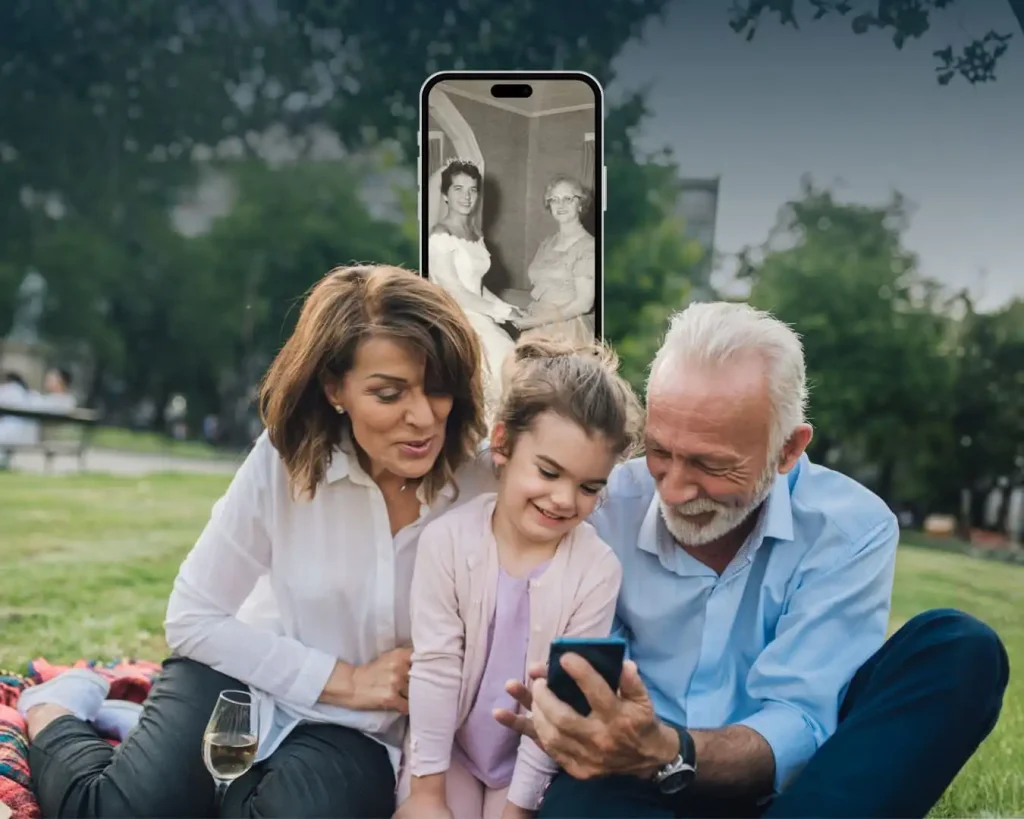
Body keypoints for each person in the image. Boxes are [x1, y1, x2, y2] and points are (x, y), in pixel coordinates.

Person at [494, 301, 1010, 819]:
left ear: (788, 451)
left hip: (798, 794)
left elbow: (801, 719)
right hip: (629, 781)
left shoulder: (851, 527)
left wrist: (673, 749)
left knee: (961, 649)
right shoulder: (600, 503)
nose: (672, 490)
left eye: (711, 465)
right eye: (659, 452)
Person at [17, 265, 498, 819]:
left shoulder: (484, 482)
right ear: (334, 388)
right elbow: (193, 616)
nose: (422, 417)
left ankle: (164, 754)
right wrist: (348, 679)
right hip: (239, 682)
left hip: (356, 733)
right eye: (388, 394)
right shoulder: (286, 457)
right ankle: (55, 704)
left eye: (438, 389)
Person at [395, 333, 645, 819]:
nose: (565, 500)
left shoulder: (596, 571)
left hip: (535, 767)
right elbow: (436, 668)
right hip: (450, 758)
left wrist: (518, 810)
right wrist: (426, 793)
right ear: (503, 443)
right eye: (549, 472)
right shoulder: (448, 541)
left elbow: (559, 702)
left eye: (589, 486)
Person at [428, 158, 520, 415]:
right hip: (457, 316)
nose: (467, 196)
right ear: (445, 194)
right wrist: (502, 313)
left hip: (478, 312)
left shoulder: (474, 235)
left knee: (511, 370)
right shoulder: (439, 236)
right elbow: (455, 291)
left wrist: (507, 308)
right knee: (497, 370)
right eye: (458, 189)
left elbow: (476, 287)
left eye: (472, 189)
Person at [513, 175, 596, 337]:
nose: (561, 204)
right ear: (549, 205)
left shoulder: (589, 247)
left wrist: (533, 321)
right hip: (536, 321)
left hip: (565, 329)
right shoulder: (547, 243)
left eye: (568, 199)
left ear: (580, 204)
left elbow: (583, 304)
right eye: (554, 199)